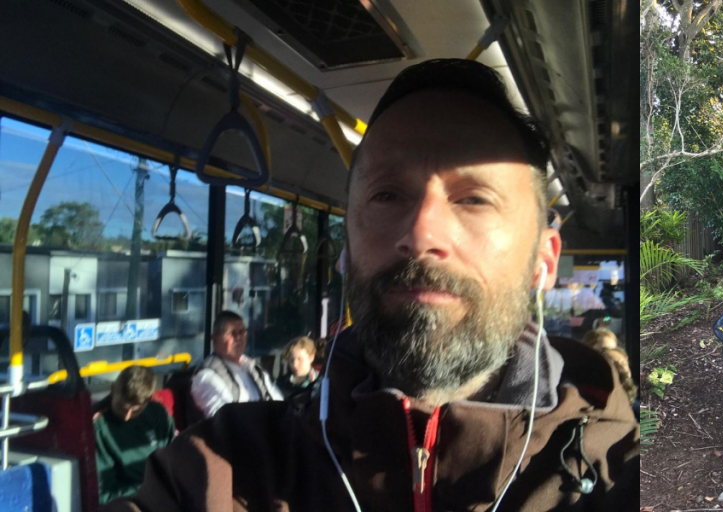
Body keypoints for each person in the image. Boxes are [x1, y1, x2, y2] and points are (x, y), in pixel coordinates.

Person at [104, 59, 637, 512]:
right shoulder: (224, 470)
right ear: (345, 249)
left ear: (543, 262)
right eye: (386, 196)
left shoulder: (625, 470)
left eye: (473, 198)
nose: (421, 233)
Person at [93, 365, 175, 504]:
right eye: (121, 407)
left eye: (135, 411)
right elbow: (104, 495)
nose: (126, 416)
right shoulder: (100, 427)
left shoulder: (158, 414)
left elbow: (173, 460)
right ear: (113, 390)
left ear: (148, 401)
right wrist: (148, 490)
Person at [190, 310, 282, 419]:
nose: (238, 338)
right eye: (232, 333)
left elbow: (278, 401)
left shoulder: (253, 367)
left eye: (242, 332)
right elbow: (225, 421)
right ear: (215, 339)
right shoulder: (206, 376)